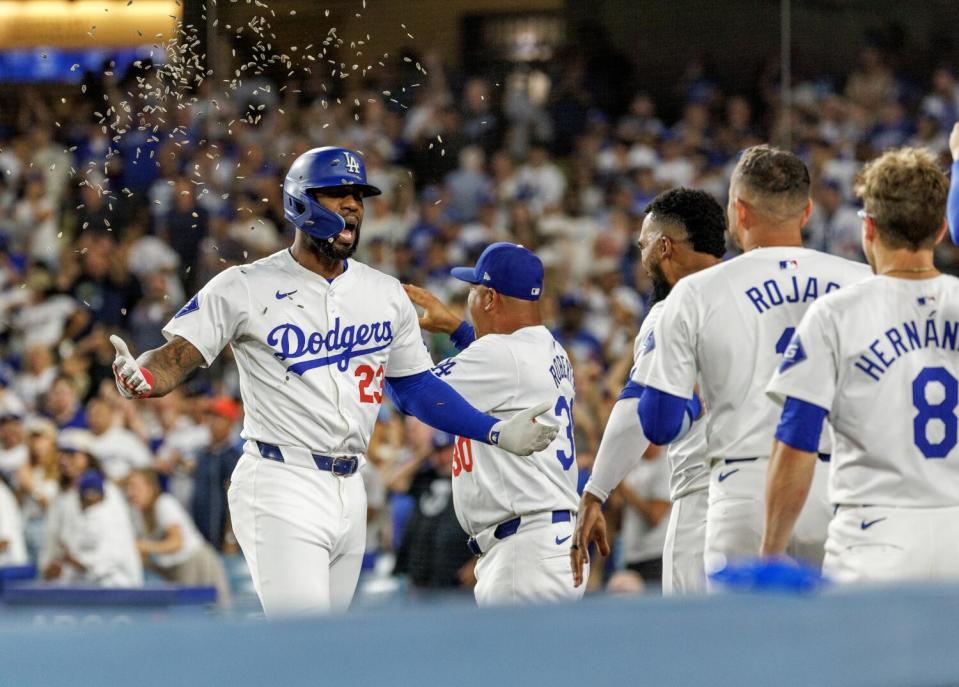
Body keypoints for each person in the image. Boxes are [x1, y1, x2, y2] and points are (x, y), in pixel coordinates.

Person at [109, 147, 558, 615]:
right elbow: (175, 356)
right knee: (302, 647)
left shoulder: (384, 292)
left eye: (358, 196)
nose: (353, 205)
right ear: (301, 202)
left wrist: (495, 430)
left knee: (323, 652)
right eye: (337, 194)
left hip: (351, 485)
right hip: (281, 479)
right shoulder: (243, 284)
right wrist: (140, 377)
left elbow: (417, 388)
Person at [635, 145, 872, 583]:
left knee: (741, 649)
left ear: (738, 212)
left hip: (743, 488)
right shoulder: (863, 282)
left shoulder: (696, 292)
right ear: (805, 214)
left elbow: (659, 424)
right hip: (841, 489)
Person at [763, 147, 959, 582]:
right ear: (941, 228)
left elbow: (796, 442)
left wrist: (771, 550)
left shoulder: (835, 313)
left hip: (874, 538)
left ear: (868, 226)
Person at [402, 242, 582, 606]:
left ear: (489, 299)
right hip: (547, 540)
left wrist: (390, 339)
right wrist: (456, 328)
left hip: (524, 550)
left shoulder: (502, 355)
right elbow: (504, 368)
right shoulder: (550, 348)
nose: (467, 302)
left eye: (472, 290)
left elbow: (417, 393)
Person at [572, 187, 727, 595]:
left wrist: (595, 492)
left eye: (643, 246)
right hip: (780, 485)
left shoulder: (672, 309)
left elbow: (638, 411)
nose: (641, 261)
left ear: (663, 247)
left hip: (705, 499)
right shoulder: (754, 293)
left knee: (695, 646)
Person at [127, 469, 231, 607]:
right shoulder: (137, 515)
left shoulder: (164, 503)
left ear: (150, 488)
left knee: (215, 613)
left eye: (135, 487)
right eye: (128, 487)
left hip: (197, 563)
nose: (130, 493)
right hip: (175, 569)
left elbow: (176, 543)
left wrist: (143, 546)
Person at [56, 470, 143, 587]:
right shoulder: (88, 516)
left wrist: (77, 562)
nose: (90, 497)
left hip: (119, 585)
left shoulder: (108, 516)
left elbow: (108, 560)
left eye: (92, 493)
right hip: (98, 585)